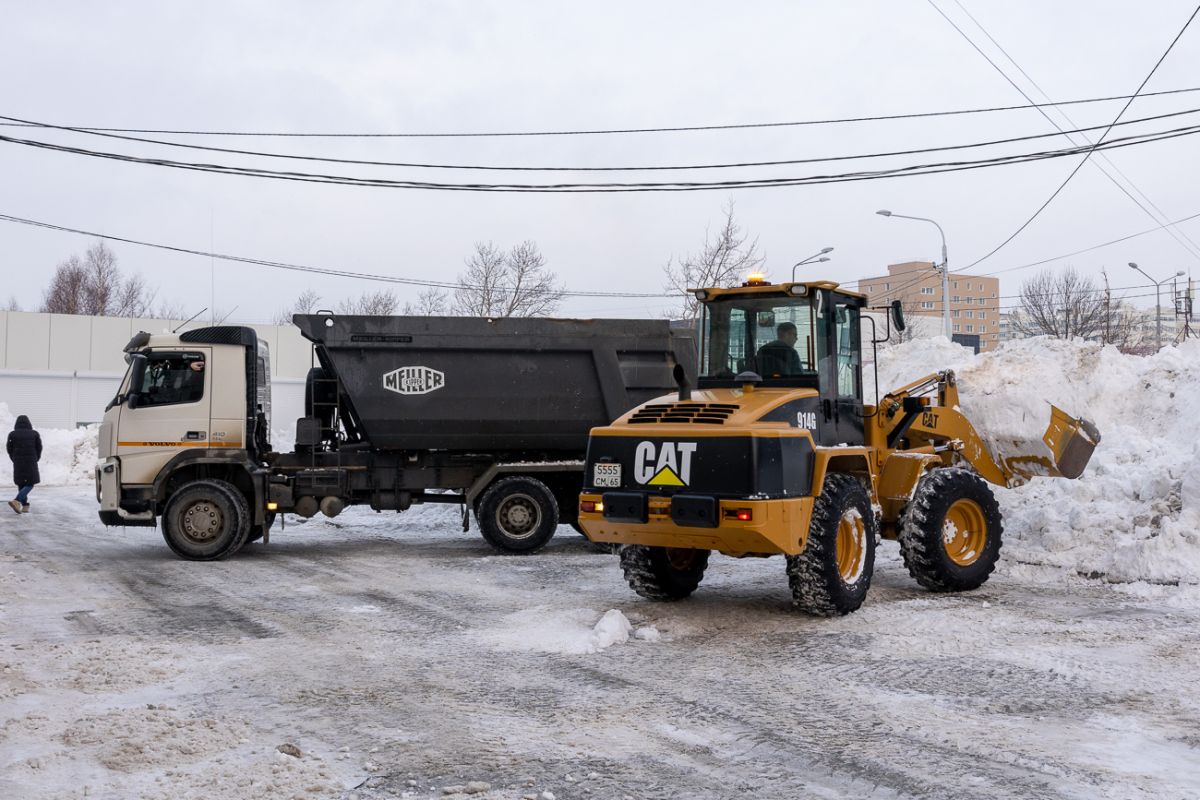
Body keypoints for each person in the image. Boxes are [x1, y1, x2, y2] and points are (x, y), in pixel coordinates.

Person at [7, 415, 42, 514]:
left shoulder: (12, 434)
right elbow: (39, 448)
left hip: (18, 462)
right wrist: (36, 458)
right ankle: (17, 500)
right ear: (28, 423)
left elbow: (9, 449)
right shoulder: (34, 434)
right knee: (30, 483)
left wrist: (14, 458)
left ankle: (25, 505)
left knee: (21, 483)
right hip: (31, 461)